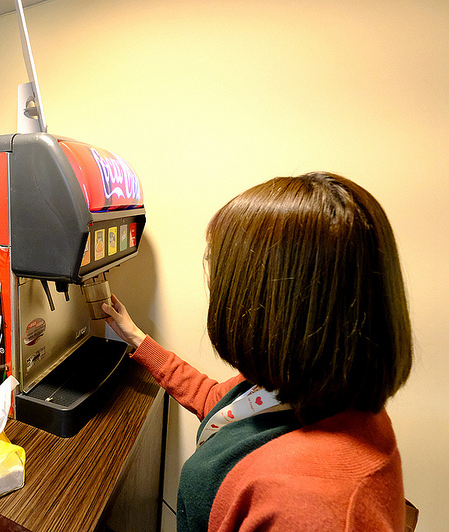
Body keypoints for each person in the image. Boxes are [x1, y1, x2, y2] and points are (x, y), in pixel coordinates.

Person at [103, 172, 412, 531]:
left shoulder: (315, 506)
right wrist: (137, 338)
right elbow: (222, 404)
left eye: (220, 274)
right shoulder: (301, 389)